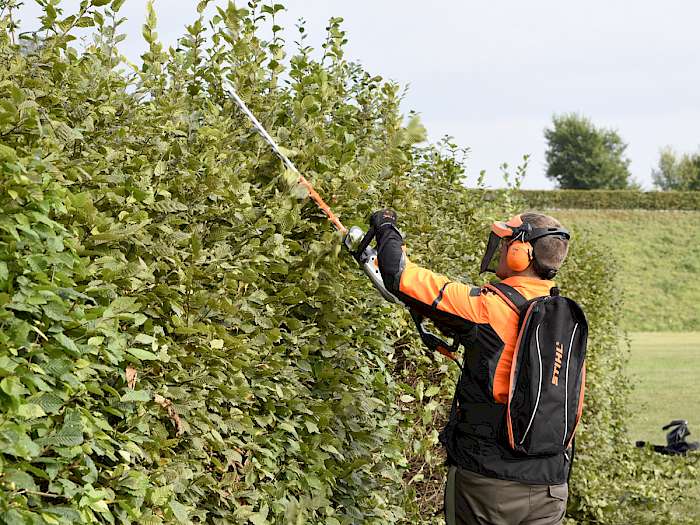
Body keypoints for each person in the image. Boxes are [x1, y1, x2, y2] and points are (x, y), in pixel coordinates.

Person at [371, 209, 574, 525]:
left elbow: (399, 274)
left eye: (506, 242)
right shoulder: (563, 316)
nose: (501, 249)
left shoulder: (488, 307)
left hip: (488, 484)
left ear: (522, 253)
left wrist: (386, 226)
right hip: (551, 487)